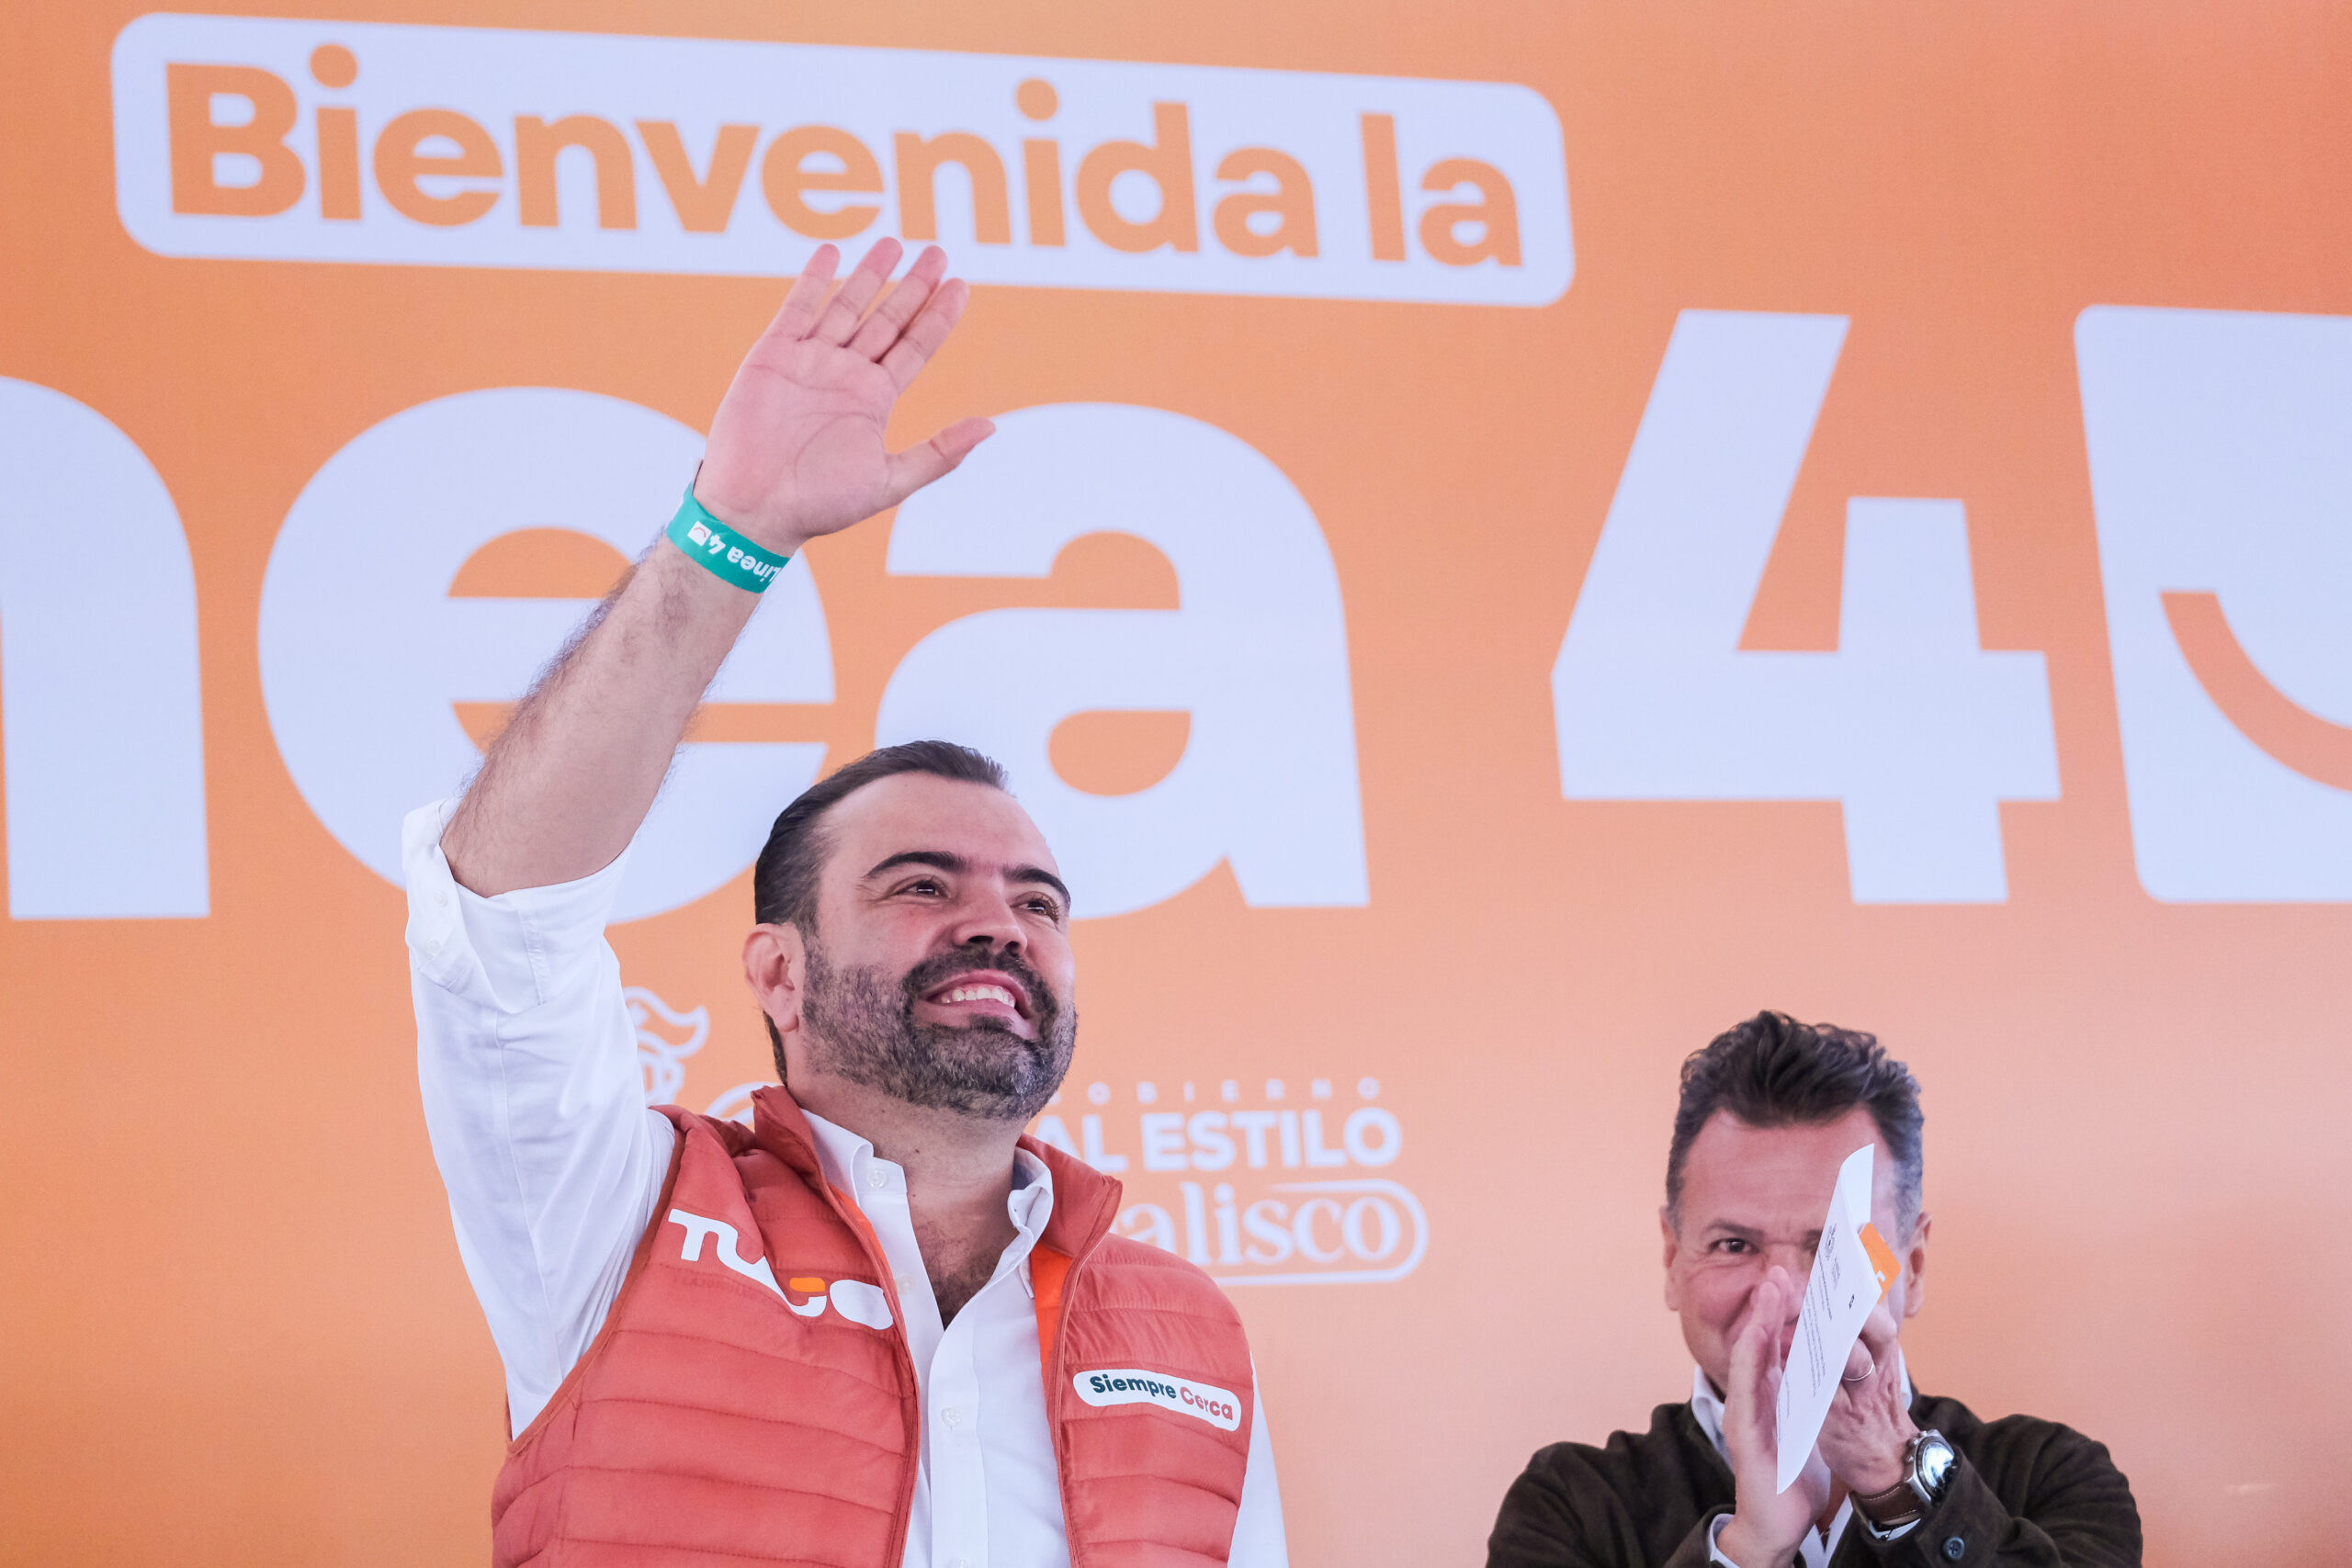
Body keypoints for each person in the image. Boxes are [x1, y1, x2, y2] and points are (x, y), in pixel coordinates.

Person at [403, 237, 1286, 1568]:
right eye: (921, 883)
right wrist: (731, 536)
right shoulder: (616, 1215)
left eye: (1038, 901)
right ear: (779, 970)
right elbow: (503, 915)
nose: (998, 925)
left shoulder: (1187, 1327)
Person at [1486, 1012, 2138, 1568]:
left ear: (1911, 1266)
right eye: (1734, 1245)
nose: (1787, 1295)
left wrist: (1895, 1483)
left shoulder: (2052, 1476)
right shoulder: (1569, 1506)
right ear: (1672, 1258)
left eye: (1832, 1250)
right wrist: (1749, 1548)